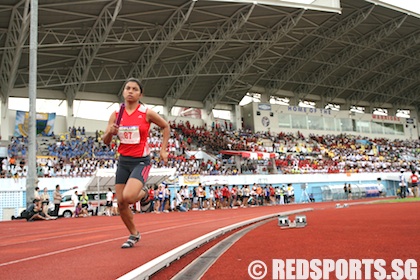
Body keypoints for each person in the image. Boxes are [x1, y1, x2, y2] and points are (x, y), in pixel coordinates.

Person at [103, 77, 169, 249]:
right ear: (123, 92)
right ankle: (134, 234)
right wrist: (110, 132)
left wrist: (163, 150)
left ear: (140, 94)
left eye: (134, 89)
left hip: (141, 161)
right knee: (121, 203)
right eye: (128, 88)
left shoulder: (146, 112)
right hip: (123, 161)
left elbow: (165, 126)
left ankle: (144, 193)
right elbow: (105, 141)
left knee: (129, 196)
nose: (130, 91)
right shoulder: (116, 115)